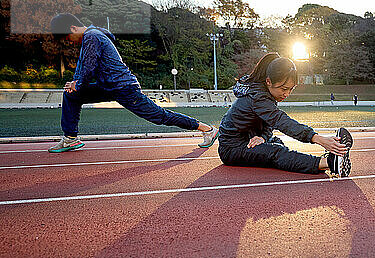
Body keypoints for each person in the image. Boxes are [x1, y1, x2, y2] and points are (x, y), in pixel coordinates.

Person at [47, 13, 218, 153]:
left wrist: (78, 82)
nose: (70, 41)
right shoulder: (90, 36)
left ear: (73, 28)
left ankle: (207, 130)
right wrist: (75, 83)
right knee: (72, 95)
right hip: (108, 86)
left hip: (123, 87)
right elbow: (83, 64)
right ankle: (70, 138)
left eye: (68, 38)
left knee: (159, 116)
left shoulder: (92, 36)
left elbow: (89, 65)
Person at [218, 53, 353, 176]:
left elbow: (269, 124)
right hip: (232, 148)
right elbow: (281, 121)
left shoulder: (264, 93)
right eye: (284, 89)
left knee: (277, 144)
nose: (286, 94)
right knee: (276, 152)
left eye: (291, 89)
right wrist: (317, 138)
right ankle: (329, 163)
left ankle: (311, 162)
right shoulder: (257, 97)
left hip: (248, 140)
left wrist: (263, 137)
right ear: (268, 81)